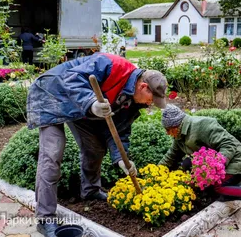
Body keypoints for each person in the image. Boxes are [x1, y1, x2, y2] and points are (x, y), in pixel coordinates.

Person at [27, 52, 167, 237]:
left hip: (80, 109)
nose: (151, 104)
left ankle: (90, 190)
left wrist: (121, 160)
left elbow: (119, 131)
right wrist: (91, 102)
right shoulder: (111, 64)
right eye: (152, 99)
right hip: (52, 95)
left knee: (95, 148)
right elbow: (72, 78)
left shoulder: (133, 101)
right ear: (143, 87)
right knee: (52, 155)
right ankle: (45, 219)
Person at [158, 105, 241, 222]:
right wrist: (155, 172)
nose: (167, 133)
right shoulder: (179, 137)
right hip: (216, 167)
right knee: (186, 164)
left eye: (168, 129)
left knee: (217, 189)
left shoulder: (202, 125)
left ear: (176, 125)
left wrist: (213, 169)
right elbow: (171, 156)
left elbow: (228, 145)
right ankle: (233, 187)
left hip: (236, 162)